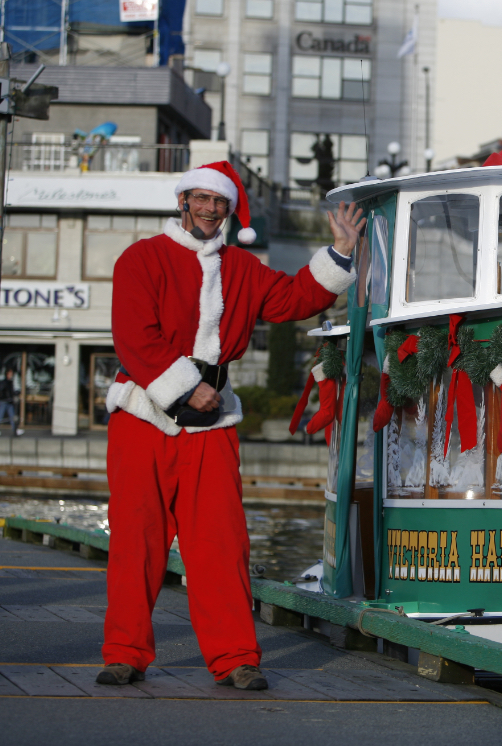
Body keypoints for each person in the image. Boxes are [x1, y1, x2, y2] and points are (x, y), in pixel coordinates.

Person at [95, 161, 364, 690]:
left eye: (219, 203)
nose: (209, 210)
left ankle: (237, 658)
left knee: (222, 543)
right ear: (183, 201)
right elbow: (134, 336)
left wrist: (341, 252)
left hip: (211, 423)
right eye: (200, 199)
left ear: (228, 210)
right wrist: (183, 386)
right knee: (136, 540)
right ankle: (123, 653)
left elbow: (294, 299)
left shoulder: (242, 267)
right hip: (143, 414)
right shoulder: (141, 257)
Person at [0, 369, 23, 437]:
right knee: (0, 415)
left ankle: (15, 429)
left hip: (9, 401)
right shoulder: (4, 382)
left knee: (12, 416)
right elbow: (2, 391)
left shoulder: (10, 382)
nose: (11, 375)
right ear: (7, 374)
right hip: (4, 401)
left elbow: (11, 392)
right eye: (10, 373)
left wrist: (14, 395)